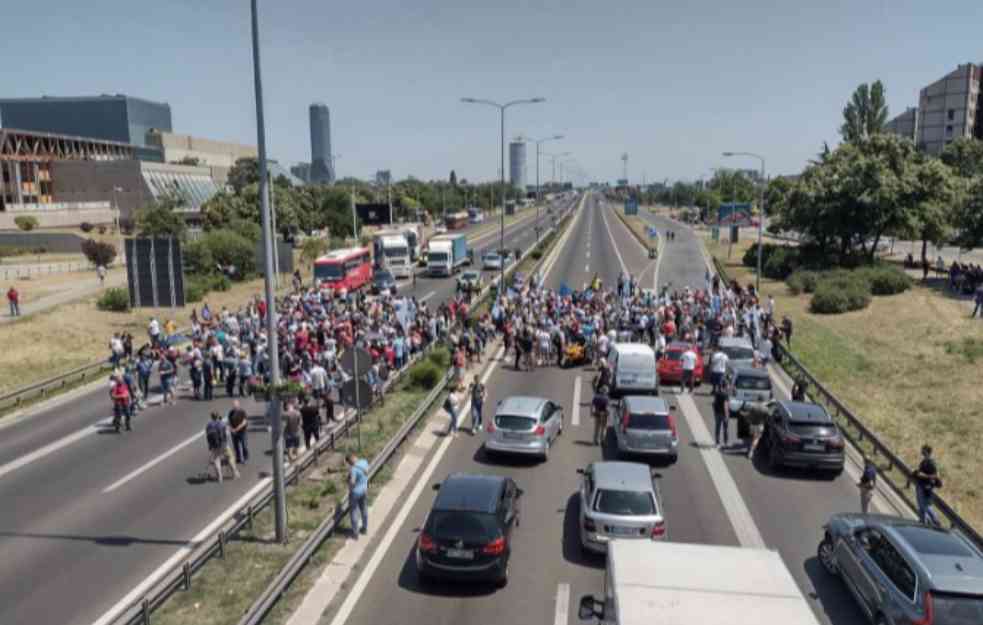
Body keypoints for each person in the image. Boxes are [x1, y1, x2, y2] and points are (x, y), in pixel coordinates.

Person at [911, 445, 942, 526]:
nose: (921, 452)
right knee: (921, 505)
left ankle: (936, 520)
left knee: (926, 506)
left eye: (923, 450)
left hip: (926, 487)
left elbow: (935, 475)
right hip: (921, 485)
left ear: (927, 452)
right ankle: (922, 521)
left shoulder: (931, 462)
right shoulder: (924, 461)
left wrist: (923, 475)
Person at [206, 412, 239, 482]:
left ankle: (220, 477)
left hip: (214, 446)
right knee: (230, 457)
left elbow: (208, 436)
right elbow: (227, 433)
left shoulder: (208, 425)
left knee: (216, 460)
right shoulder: (222, 423)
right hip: (224, 445)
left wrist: (210, 446)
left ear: (211, 417)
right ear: (218, 416)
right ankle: (235, 473)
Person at [347, 453, 370, 538]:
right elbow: (367, 471)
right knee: (364, 508)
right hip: (364, 490)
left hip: (355, 493)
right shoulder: (364, 462)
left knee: (354, 511)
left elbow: (352, 482)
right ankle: (364, 528)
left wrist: (349, 485)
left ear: (350, 461)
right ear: (355, 457)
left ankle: (355, 532)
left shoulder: (353, 469)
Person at [227, 400, 249, 465]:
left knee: (244, 445)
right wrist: (231, 429)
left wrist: (236, 429)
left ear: (238, 405)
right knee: (236, 446)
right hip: (234, 432)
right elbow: (229, 422)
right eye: (233, 406)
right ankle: (238, 458)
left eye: (235, 405)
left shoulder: (242, 412)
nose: (234, 407)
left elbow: (244, 422)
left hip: (242, 432)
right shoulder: (231, 413)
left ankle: (245, 457)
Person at [712, 383, 729, 448]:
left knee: (717, 428)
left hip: (717, 413)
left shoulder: (717, 393)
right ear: (725, 386)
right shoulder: (726, 395)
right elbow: (725, 405)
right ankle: (725, 443)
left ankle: (717, 443)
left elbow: (714, 403)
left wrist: (714, 412)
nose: (728, 386)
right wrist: (727, 414)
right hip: (723, 414)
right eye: (728, 386)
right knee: (725, 429)